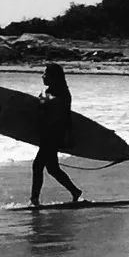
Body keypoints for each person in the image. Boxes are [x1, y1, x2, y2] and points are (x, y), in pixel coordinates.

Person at [31, 62, 84, 208]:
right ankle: (75, 191)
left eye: (46, 74)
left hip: (55, 134)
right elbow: (41, 109)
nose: (43, 76)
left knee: (37, 166)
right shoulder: (49, 91)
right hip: (47, 134)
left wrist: (43, 100)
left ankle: (34, 199)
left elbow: (59, 112)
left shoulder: (63, 93)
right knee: (52, 168)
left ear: (54, 77)